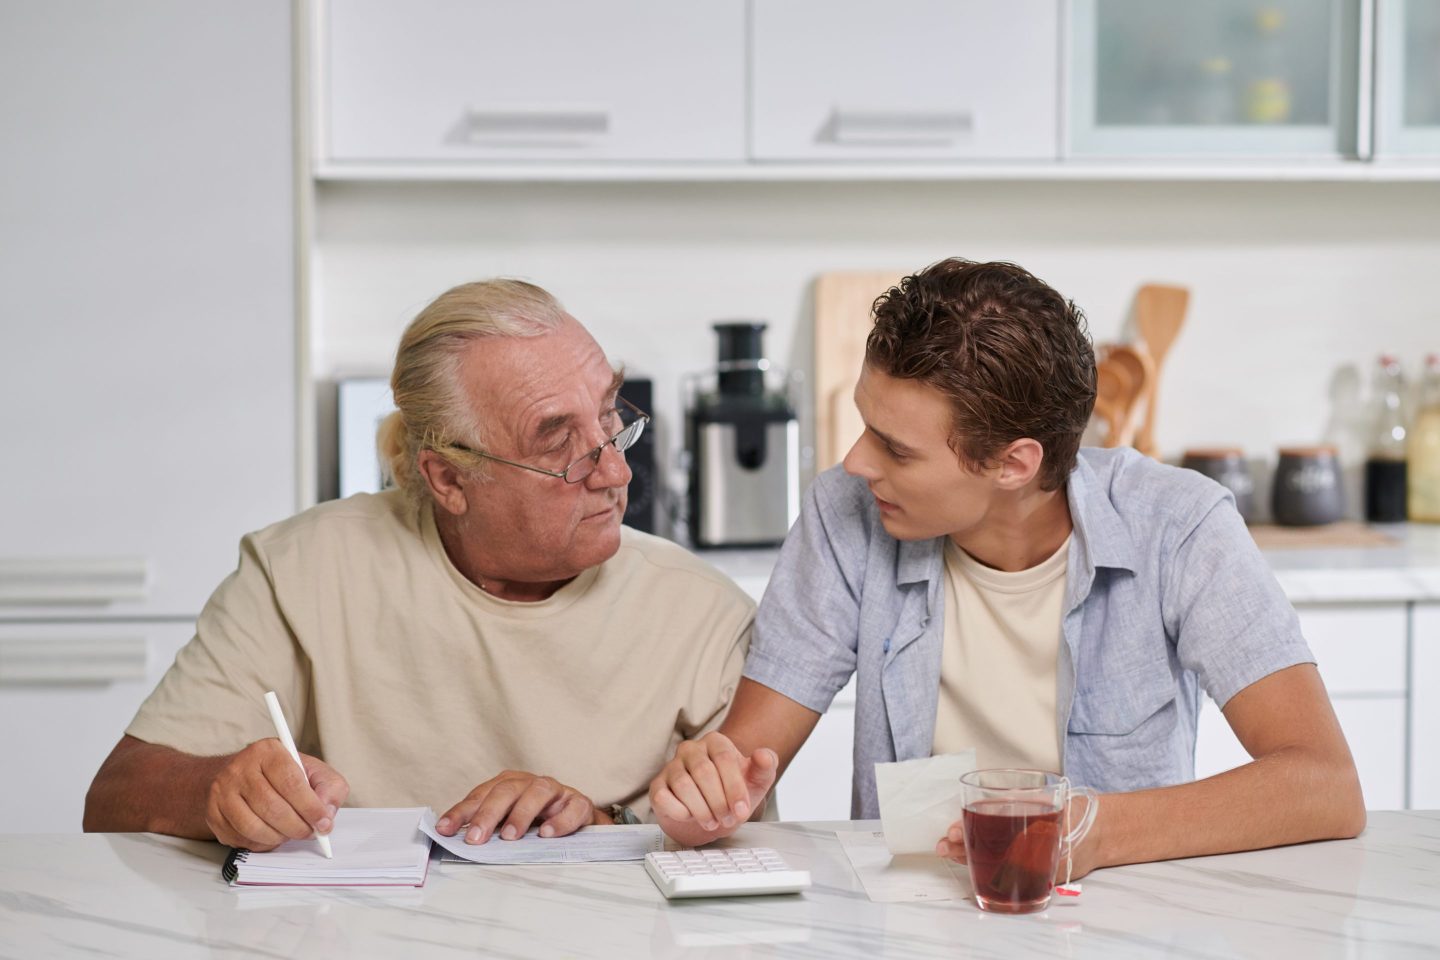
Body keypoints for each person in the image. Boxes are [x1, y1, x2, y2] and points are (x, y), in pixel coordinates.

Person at [649, 258, 1365, 877]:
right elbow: (737, 769)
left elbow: (1323, 784)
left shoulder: (1179, 527)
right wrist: (703, 799)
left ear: (1012, 464)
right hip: (904, 920)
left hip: (1119, 918)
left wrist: (1088, 832)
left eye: (895, 448)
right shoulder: (847, 513)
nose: (856, 463)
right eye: (866, 424)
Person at [84, 279, 754, 851]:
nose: (615, 468)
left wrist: (603, 822)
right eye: (559, 445)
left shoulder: (703, 615)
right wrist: (217, 789)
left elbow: (738, 861)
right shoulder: (298, 573)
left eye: (610, 416)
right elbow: (111, 799)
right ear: (447, 479)